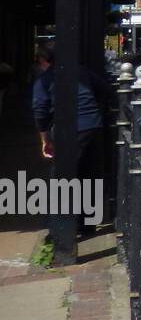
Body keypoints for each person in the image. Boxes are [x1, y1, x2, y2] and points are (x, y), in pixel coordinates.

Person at [31, 44, 116, 228]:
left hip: (68, 130)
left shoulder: (44, 80)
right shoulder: (80, 71)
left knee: (62, 177)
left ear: (43, 61)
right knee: (89, 174)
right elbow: (106, 89)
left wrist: (44, 140)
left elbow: (40, 111)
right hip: (93, 125)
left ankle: (60, 228)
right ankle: (87, 224)